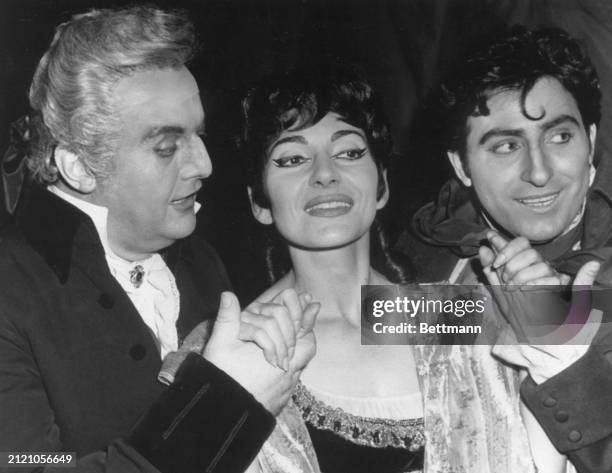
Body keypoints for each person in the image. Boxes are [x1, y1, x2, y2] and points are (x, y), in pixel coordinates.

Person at [0, 6, 318, 473]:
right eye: (167, 146)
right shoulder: (10, 292)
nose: (204, 165)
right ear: (80, 167)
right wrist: (228, 406)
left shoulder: (200, 260)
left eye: (199, 136)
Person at [238, 66, 554, 473]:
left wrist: (552, 299)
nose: (325, 174)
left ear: (382, 185)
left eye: (349, 152)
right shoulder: (238, 344)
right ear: (259, 203)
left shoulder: (428, 314)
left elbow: (593, 331)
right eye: (292, 158)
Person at [396, 25, 612, 472]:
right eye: (507, 145)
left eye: (559, 137)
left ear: (590, 141)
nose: (538, 172)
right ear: (462, 165)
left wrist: (566, 349)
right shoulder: (418, 269)